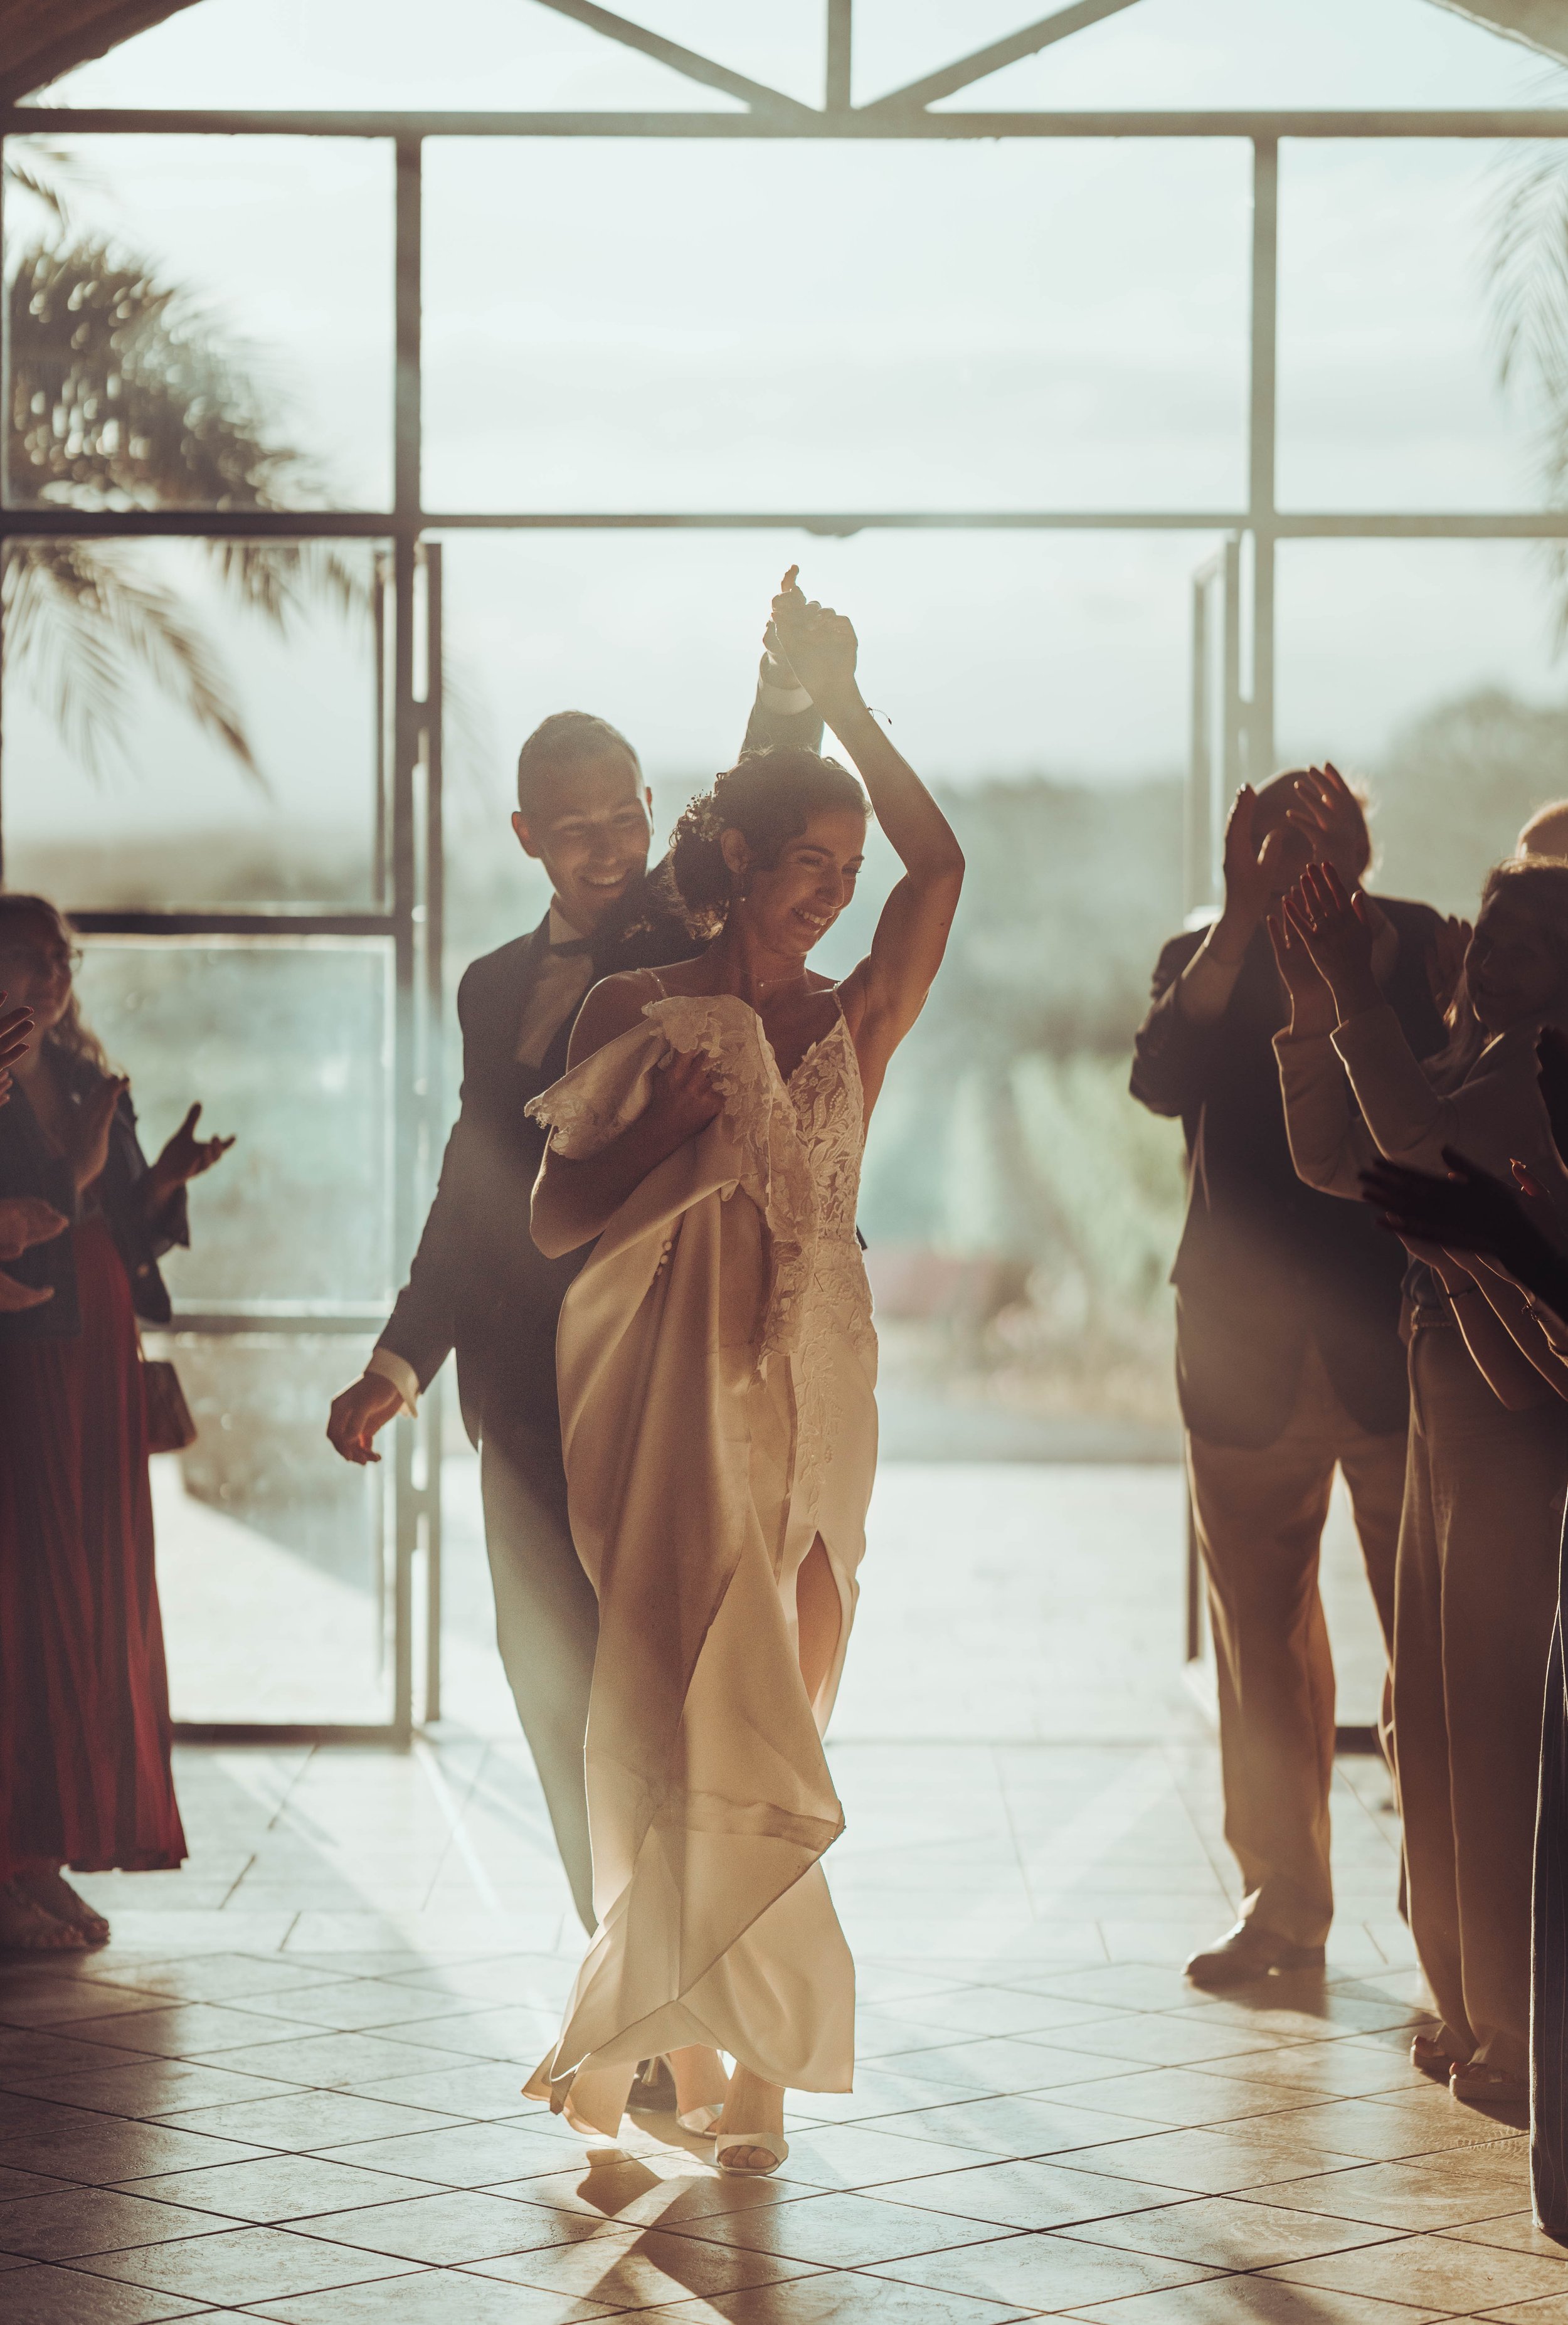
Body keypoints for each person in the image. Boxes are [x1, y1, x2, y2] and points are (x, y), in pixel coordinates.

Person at [519, 575, 962, 2176]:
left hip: (820, 1400)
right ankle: (708, 2054)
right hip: (669, 1388)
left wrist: (840, 703)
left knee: (792, 1714)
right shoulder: (641, 1006)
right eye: (807, 868)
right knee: (675, 1718)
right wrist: (667, 1133)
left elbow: (945, 864)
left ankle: (744, 2049)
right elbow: (555, 1209)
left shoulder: (862, 1016)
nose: (836, 898)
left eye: (845, 873)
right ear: (734, 864)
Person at [325, 630, 824, 1943]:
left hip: (668, 1371)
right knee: (551, 1683)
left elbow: (765, 799)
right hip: (519, 1389)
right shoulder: (492, 988)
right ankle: (618, 1971)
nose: (605, 848)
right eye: (574, 828)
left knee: (668, 1677)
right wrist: (397, 1363)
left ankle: (700, 1963)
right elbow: (472, 1184)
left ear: (655, 816)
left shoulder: (687, 929)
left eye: (625, 818)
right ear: (525, 834)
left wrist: (787, 682)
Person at [1130, 764, 1445, 1986]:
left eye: (1324, 836)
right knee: (1258, 1638)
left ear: (1362, 839)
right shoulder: (1198, 951)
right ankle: (1283, 1909)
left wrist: (1352, 916)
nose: (1298, 855)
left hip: (1398, 1334)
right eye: (1276, 839)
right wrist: (1236, 914)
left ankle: (1451, 1931)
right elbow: (1159, 1081)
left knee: (1425, 1637)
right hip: (1239, 1344)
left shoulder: (1419, 944)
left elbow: (1436, 1094)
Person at [1273, 855, 1568, 2106]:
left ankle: (1513, 2024)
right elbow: (1329, 1159)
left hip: (1508, 1422)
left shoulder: (1528, 1080)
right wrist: (1309, 1003)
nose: (1480, 959)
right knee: (1428, 1715)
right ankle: (1461, 2002)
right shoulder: (1471, 1058)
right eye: (1482, 935)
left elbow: (1404, 1142)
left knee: (1491, 1725)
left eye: (1515, 945)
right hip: (1439, 1400)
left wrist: (1353, 994)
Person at [0, 896, 233, 1952]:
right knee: (27, 1594)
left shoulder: (94, 1078)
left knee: (94, 1589)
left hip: (95, 1347)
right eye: (28, 957)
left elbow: (118, 1224)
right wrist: (76, 1170)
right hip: (22, 1351)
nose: (50, 976)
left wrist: (166, 1178)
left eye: (61, 958)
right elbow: (48, 1201)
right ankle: (12, 1859)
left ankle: (45, 1855)